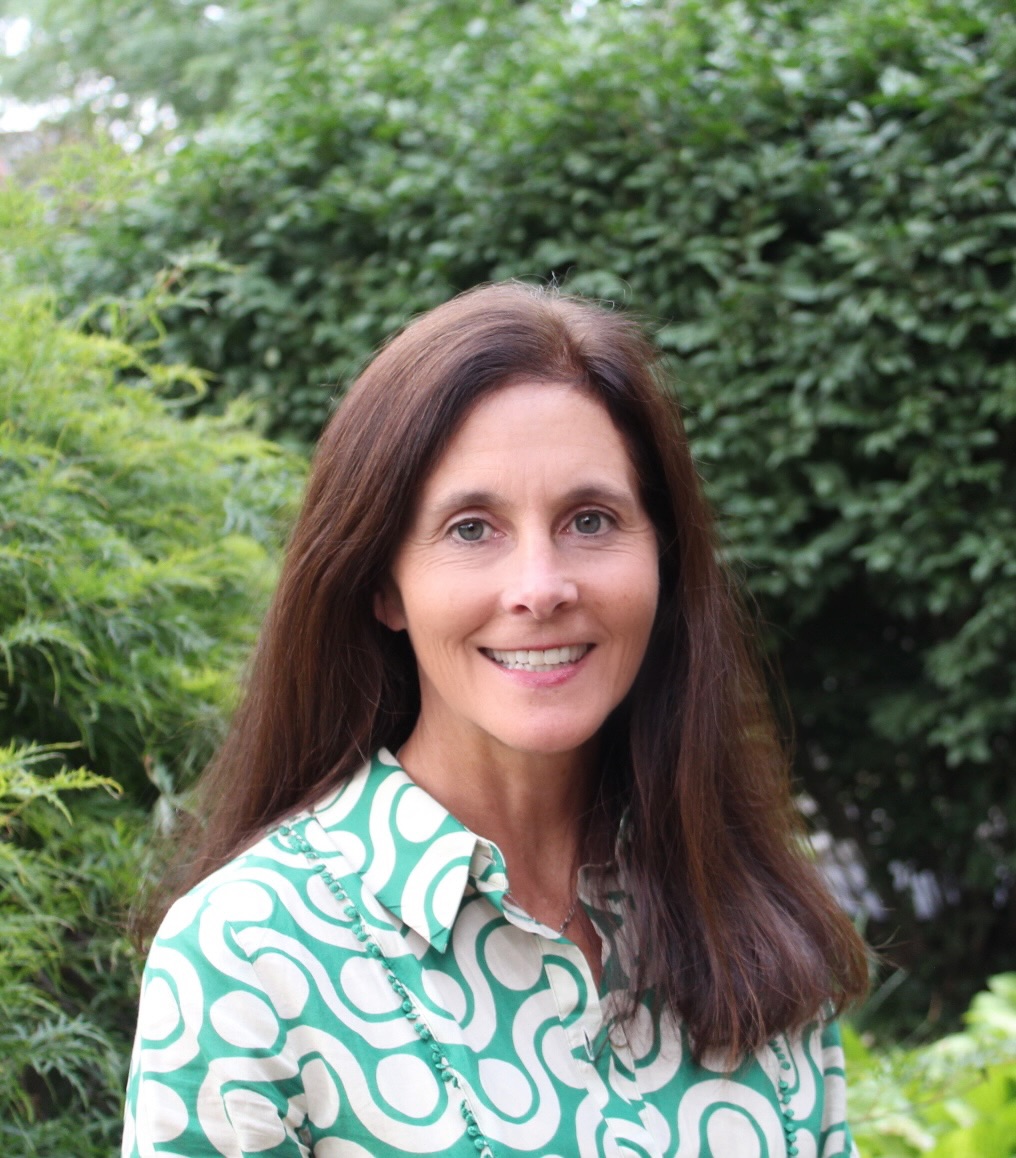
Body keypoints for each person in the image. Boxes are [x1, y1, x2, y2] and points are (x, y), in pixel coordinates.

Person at [123, 282, 869, 1158]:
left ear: (662, 556)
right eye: (473, 529)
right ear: (382, 582)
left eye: (591, 520)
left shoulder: (743, 914)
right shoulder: (246, 957)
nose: (542, 588)